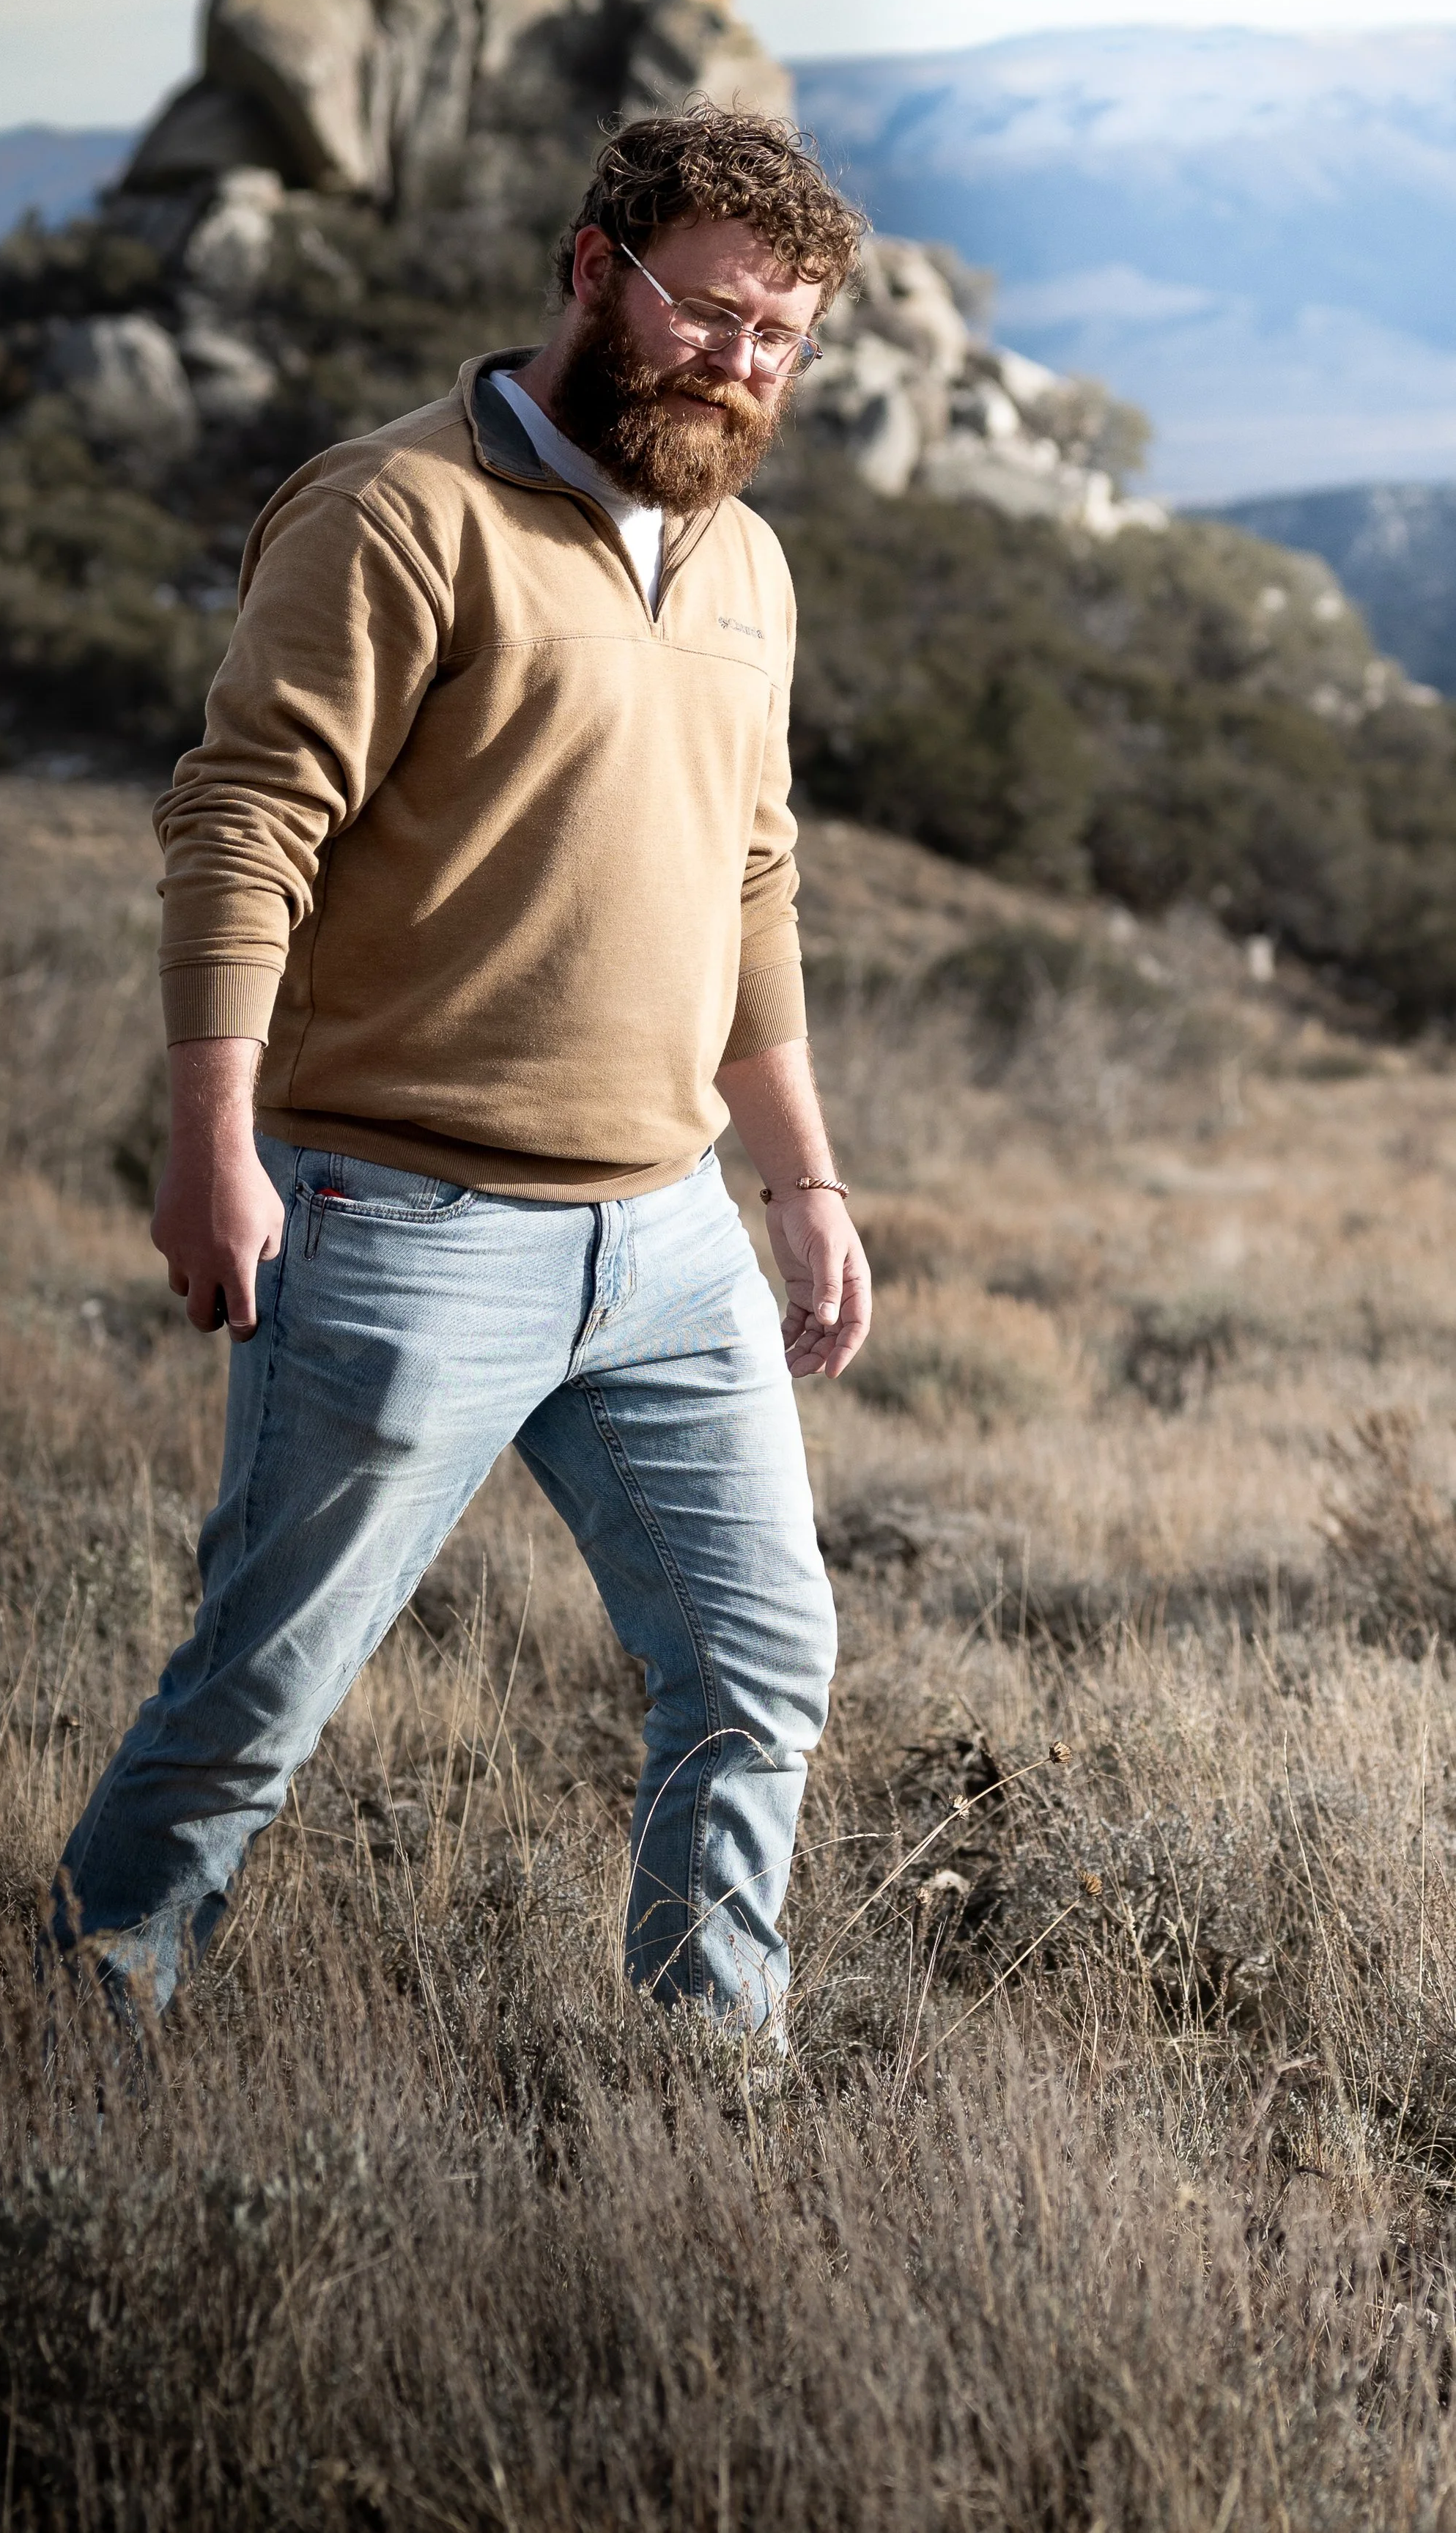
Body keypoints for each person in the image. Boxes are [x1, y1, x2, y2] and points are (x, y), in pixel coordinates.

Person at [49, 105, 873, 2041]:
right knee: (262, 1691)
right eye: (708, 313)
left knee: (760, 1667)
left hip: (666, 1240)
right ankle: (70, 2034)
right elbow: (244, 818)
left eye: (780, 339)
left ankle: (700, 2077)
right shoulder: (391, 507)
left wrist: (803, 1186)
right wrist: (208, 1142)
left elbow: (752, 885)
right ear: (595, 269)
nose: (738, 366)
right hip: (392, 1216)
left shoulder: (746, 562)